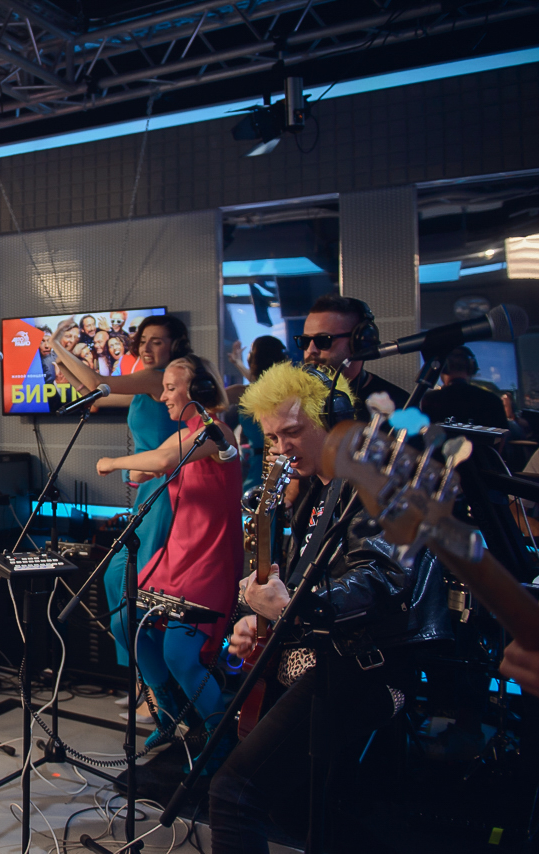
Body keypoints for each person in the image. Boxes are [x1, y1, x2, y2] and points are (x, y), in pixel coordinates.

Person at [210, 362, 450, 853]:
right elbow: (301, 584)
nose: (282, 447)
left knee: (233, 793)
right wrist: (261, 616)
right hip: (330, 655)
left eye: (293, 432)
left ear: (336, 422)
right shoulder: (316, 490)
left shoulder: (375, 478)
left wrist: (294, 607)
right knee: (291, 805)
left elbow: (379, 577)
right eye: (273, 437)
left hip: (370, 665)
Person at [95, 354, 242, 758]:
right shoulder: (185, 433)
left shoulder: (213, 431)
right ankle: (169, 712)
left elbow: (161, 460)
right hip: (176, 555)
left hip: (208, 559)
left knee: (180, 653)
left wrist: (112, 462)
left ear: (199, 390)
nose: (162, 397)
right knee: (127, 623)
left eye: (171, 388)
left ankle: (218, 740)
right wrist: (140, 469)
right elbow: (149, 468)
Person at [52, 315, 185, 672]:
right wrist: (60, 356)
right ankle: (146, 679)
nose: (147, 347)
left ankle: (154, 680)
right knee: (122, 580)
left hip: (166, 490)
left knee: (132, 580)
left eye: (157, 341)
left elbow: (100, 382)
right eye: (144, 340)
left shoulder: (158, 378)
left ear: (175, 345)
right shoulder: (149, 386)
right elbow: (94, 395)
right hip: (150, 490)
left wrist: (58, 345)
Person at [297, 294, 408, 416]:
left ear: (359, 342)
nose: (311, 350)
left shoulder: (399, 406)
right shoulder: (291, 399)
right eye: (305, 341)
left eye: (323, 340)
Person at [226, 336, 290, 492]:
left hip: (259, 466)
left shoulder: (243, 393)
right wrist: (238, 363)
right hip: (281, 461)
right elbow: (259, 380)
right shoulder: (286, 391)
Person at [421, 346, 508, 430]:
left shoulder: (430, 400)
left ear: (443, 369)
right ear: (471, 368)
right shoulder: (492, 400)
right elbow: (503, 436)